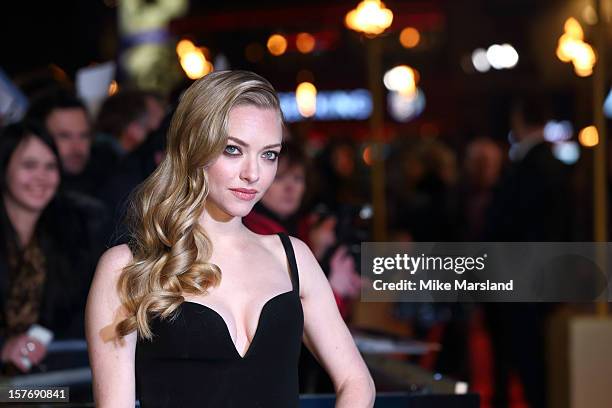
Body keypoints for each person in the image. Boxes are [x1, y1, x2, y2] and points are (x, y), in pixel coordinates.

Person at [85, 70, 375, 407]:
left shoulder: (292, 257)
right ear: (193, 148)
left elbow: (357, 382)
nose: (253, 173)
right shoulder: (127, 267)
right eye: (233, 149)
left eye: (269, 154)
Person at [0, 122, 101, 374]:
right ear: (4, 169)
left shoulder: (71, 232)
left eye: (50, 166)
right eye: (29, 165)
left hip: (44, 382)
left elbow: (77, 313)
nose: (41, 177)